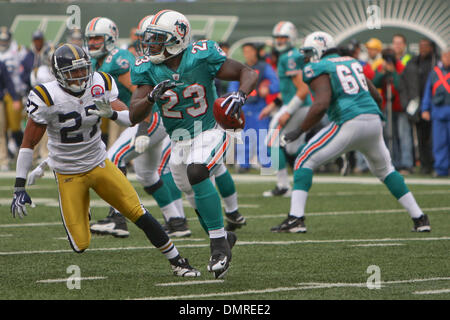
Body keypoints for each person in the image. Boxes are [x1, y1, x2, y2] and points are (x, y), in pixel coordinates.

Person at [10, 43, 200, 277]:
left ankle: (178, 261)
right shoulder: (45, 96)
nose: (81, 76)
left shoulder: (100, 82)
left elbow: (129, 119)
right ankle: (82, 206)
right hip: (68, 173)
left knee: (137, 211)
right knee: (81, 244)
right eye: (74, 71)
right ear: (59, 74)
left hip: (99, 163)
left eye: (83, 69)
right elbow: (28, 144)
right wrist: (19, 186)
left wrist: (142, 102)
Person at [129, 10, 258, 279]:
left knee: (197, 170)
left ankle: (218, 246)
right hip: (179, 140)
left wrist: (240, 95)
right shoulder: (147, 67)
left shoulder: (201, 55)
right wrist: (151, 97)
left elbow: (248, 72)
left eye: (158, 39)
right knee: (191, 190)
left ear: (177, 39)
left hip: (210, 128)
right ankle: (224, 236)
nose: (150, 45)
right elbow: (134, 114)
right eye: (150, 39)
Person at [270, 31, 430, 233]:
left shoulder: (318, 66)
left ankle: (296, 219)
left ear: (320, 50)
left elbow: (321, 104)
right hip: (373, 120)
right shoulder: (351, 62)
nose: (307, 57)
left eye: (310, 52)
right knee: (386, 170)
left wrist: (299, 130)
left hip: (349, 121)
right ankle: (420, 218)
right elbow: (376, 97)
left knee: (303, 158)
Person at [258, 21, 313, 197]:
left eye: (283, 37)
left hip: (296, 107)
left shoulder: (289, 57)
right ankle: (302, 180)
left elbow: (302, 90)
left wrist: (288, 111)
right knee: (292, 148)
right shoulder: (291, 55)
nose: (280, 41)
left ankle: (283, 186)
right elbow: (290, 90)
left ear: (291, 38)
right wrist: (273, 105)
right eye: (278, 37)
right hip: (300, 106)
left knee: (271, 142)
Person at [228, 42, 279, 172]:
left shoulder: (263, 67)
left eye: (250, 51)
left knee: (262, 136)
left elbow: (277, 83)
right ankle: (243, 164)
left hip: (259, 106)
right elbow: (233, 87)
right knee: (243, 136)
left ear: (255, 52)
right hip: (245, 106)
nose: (247, 54)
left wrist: (268, 88)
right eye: (245, 51)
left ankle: (267, 163)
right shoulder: (241, 68)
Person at [399, 39, 439, 174]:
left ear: (431, 48)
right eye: (420, 46)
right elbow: (402, 85)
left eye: (425, 46)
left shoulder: (436, 63)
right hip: (417, 105)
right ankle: (424, 165)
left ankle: (437, 164)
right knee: (421, 137)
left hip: (435, 106)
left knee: (435, 137)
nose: (422, 48)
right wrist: (407, 104)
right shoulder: (413, 63)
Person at [372, 48, 414, 174]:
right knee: (390, 135)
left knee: (404, 135)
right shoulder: (382, 67)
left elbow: (399, 84)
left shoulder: (401, 67)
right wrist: (383, 72)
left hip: (401, 107)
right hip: (388, 107)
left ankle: (406, 164)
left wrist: (393, 72)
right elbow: (375, 83)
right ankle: (394, 162)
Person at [421, 47, 450, 177]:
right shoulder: (435, 72)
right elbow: (428, 91)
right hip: (438, 111)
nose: (447, 59)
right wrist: (425, 109)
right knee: (439, 142)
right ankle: (441, 168)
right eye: (446, 56)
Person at [0, 26, 28, 158]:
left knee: (15, 126)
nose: (3, 43)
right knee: (3, 127)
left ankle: (22, 150)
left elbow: (27, 65)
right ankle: (7, 154)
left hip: (15, 92)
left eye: (5, 40)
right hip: (2, 92)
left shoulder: (17, 50)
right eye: (1, 40)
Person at [0, 60, 21, 171]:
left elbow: (8, 82)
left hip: (0, 101)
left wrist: (14, 98)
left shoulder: (1, 64)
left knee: (1, 133)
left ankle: (3, 160)